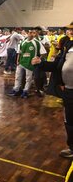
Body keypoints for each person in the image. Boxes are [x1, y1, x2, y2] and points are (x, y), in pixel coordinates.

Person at [32, 21, 73, 158]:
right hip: (69, 91)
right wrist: (41, 63)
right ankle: (72, 148)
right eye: (69, 30)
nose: (70, 32)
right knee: (70, 122)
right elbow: (57, 65)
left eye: (72, 30)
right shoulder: (67, 45)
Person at [8, 29, 41, 98]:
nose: (31, 34)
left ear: (34, 34)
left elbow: (40, 53)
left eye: (32, 33)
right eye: (29, 32)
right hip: (21, 62)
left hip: (30, 64)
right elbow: (19, 52)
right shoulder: (23, 42)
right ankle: (16, 89)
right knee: (17, 77)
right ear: (27, 33)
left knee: (28, 79)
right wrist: (17, 60)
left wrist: (36, 60)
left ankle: (25, 91)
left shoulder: (36, 43)